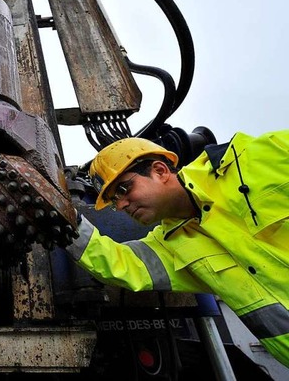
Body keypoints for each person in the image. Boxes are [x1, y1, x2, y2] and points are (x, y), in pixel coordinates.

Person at [68, 130, 289, 367]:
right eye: (114, 200)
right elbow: (118, 263)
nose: (121, 205)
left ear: (160, 171)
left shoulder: (258, 158)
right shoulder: (171, 246)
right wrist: (67, 220)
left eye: (123, 189)